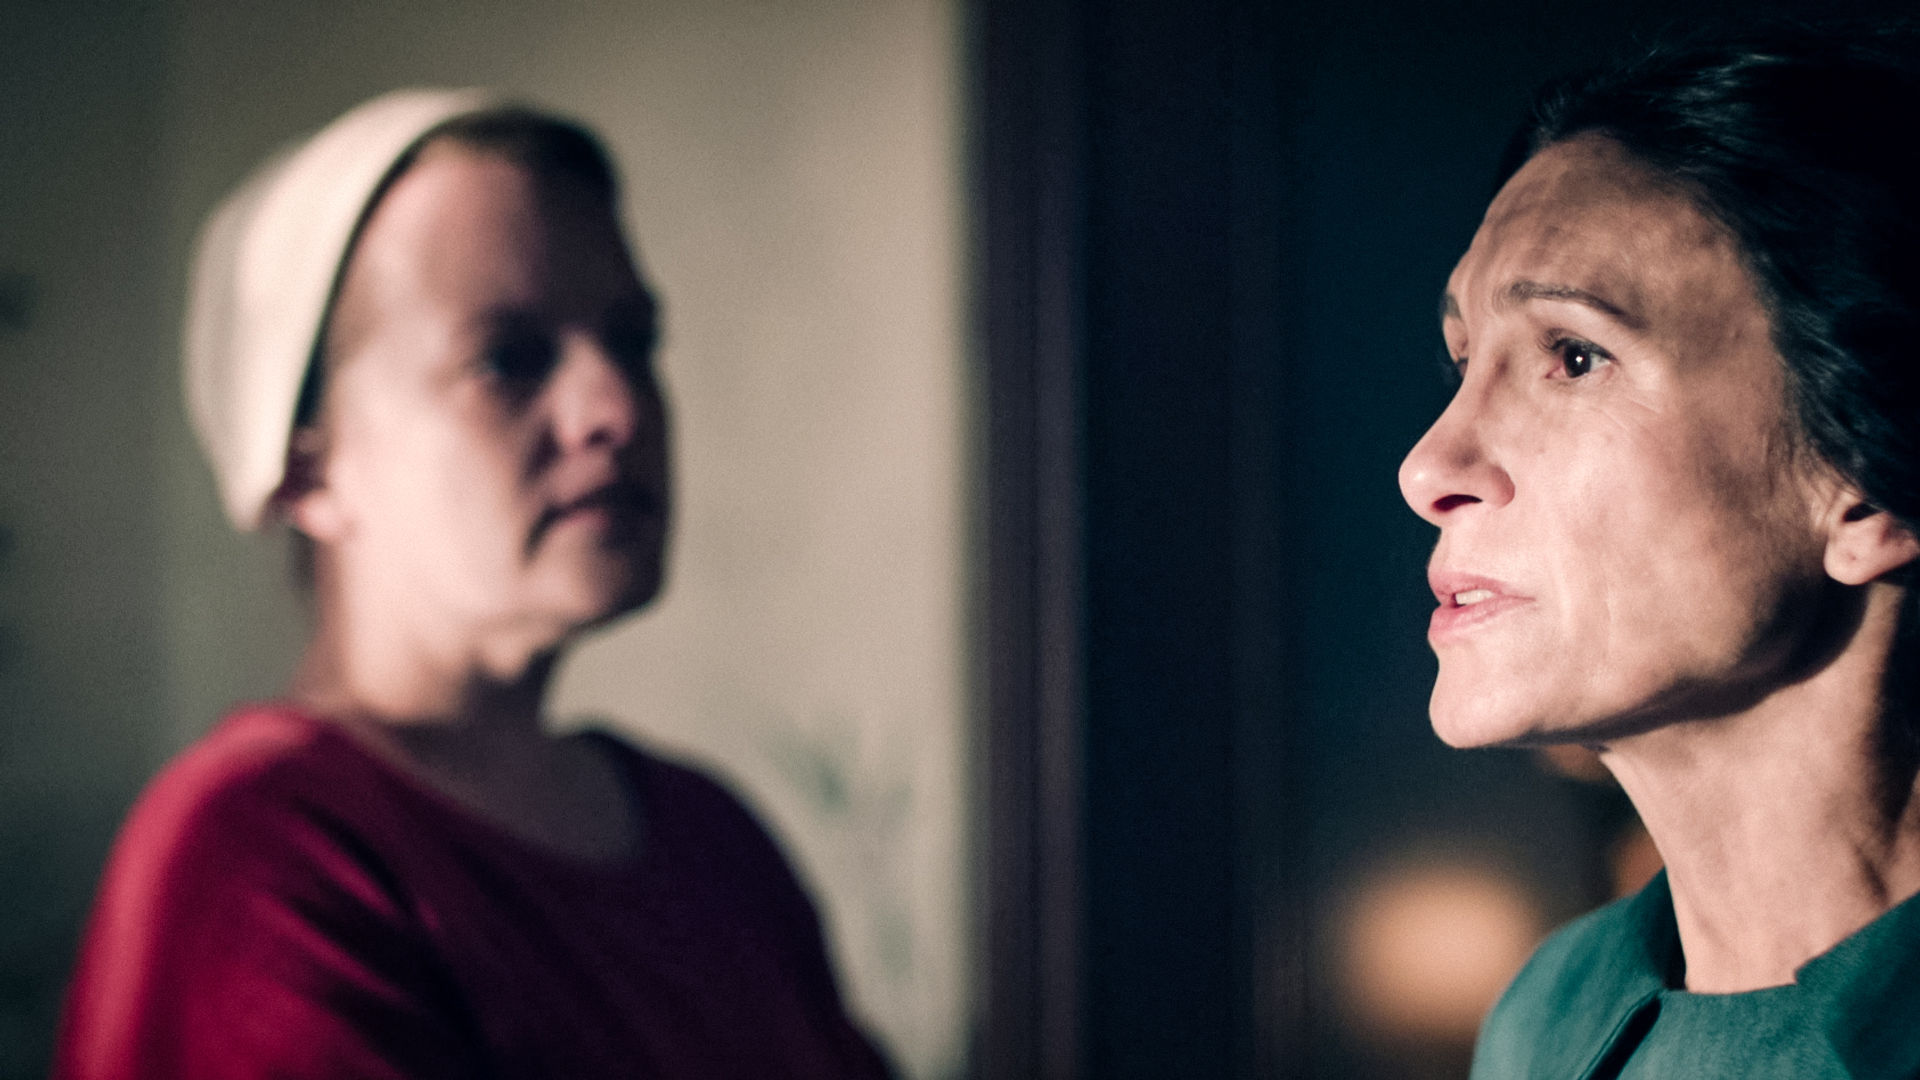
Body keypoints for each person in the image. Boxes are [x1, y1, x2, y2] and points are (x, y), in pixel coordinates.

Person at [53, 89, 895, 1080]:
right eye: (507, 358)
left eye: (633, 339)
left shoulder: (715, 842)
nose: (617, 408)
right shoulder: (264, 855)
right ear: (309, 471)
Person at [1398, 23, 1920, 1080]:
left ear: (1863, 487)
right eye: (1462, 362)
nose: (1428, 467)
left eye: (1573, 355)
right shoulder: (1544, 1021)